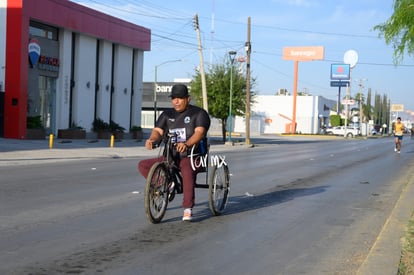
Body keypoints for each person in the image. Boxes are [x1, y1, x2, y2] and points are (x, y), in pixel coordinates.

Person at [138, 84, 211, 221]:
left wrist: (187, 144)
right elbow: (158, 131)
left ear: (188, 99)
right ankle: (166, 183)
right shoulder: (166, 114)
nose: (176, 101)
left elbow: (200, 133)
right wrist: (151, 140)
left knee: (186, 170)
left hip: (191, 155)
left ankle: (187, 208)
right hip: (170, 156)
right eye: (173, 98)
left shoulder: (199, 114)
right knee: (143, 165)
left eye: (180, 98)